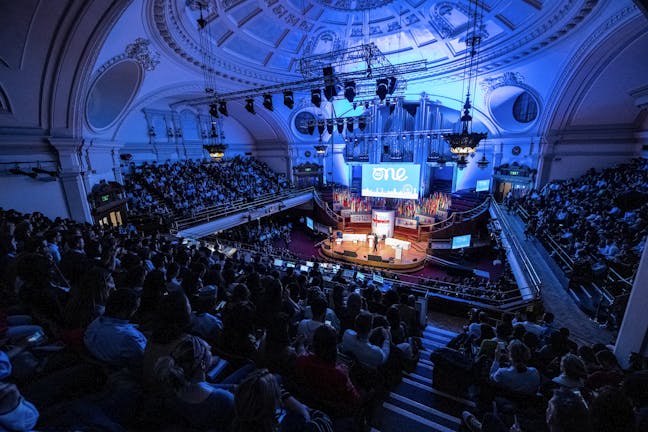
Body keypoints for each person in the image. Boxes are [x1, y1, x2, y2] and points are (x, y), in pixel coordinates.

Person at [153, 334, 235, 430]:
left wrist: (235, 387)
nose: (211, 349)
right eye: (209, 350)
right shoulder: (224, 399)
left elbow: (208, 386)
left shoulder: (176, 385)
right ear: (203, 364)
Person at [84, 288, 147, 368]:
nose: (136, 312)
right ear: (123, 312)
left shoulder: (95, 323)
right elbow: (146, 357)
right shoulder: (129, 338)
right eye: (135, 309)